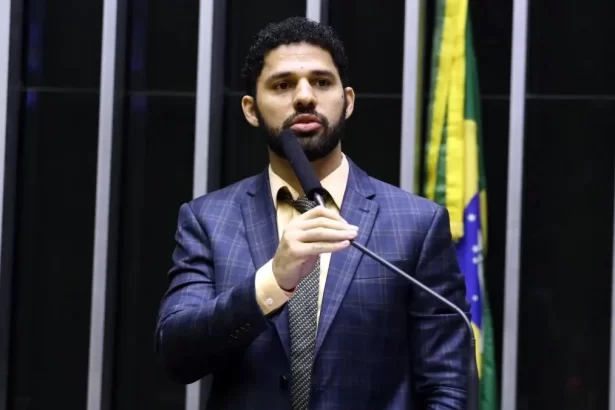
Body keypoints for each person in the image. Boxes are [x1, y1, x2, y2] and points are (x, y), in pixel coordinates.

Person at [155, 16, 471, 410]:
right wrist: (272, 281)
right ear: (251, 109)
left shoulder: (417, 224)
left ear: (348, 101)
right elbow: (176, 352)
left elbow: (449, 389)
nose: (305, 97)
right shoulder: (208, 220)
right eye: (283, 85)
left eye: (322, 82)